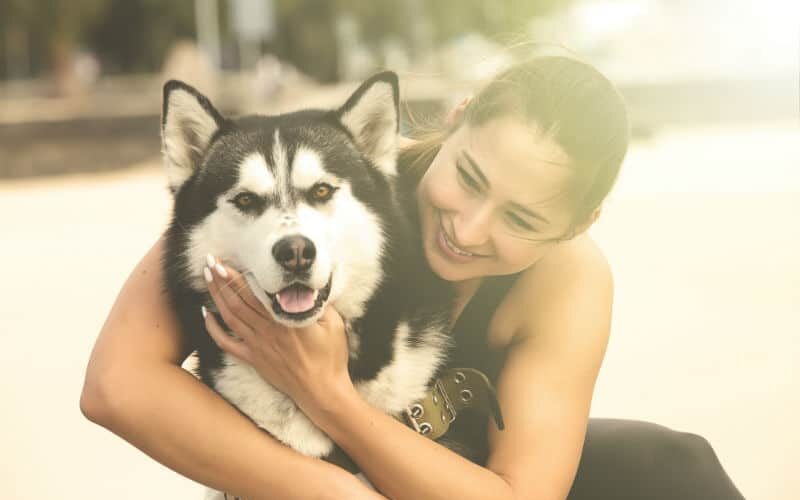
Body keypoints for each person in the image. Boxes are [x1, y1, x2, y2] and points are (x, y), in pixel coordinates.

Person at [80, 55, 745, 500]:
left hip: (456, 480)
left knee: (674, 469)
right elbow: (116, 384)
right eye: (470, 178)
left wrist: (328, 394)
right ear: (456, 119)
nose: (470, 229)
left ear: (577, 223)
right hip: (296, 484)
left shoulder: (570, 278)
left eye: (519, 217)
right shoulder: (325, 186)